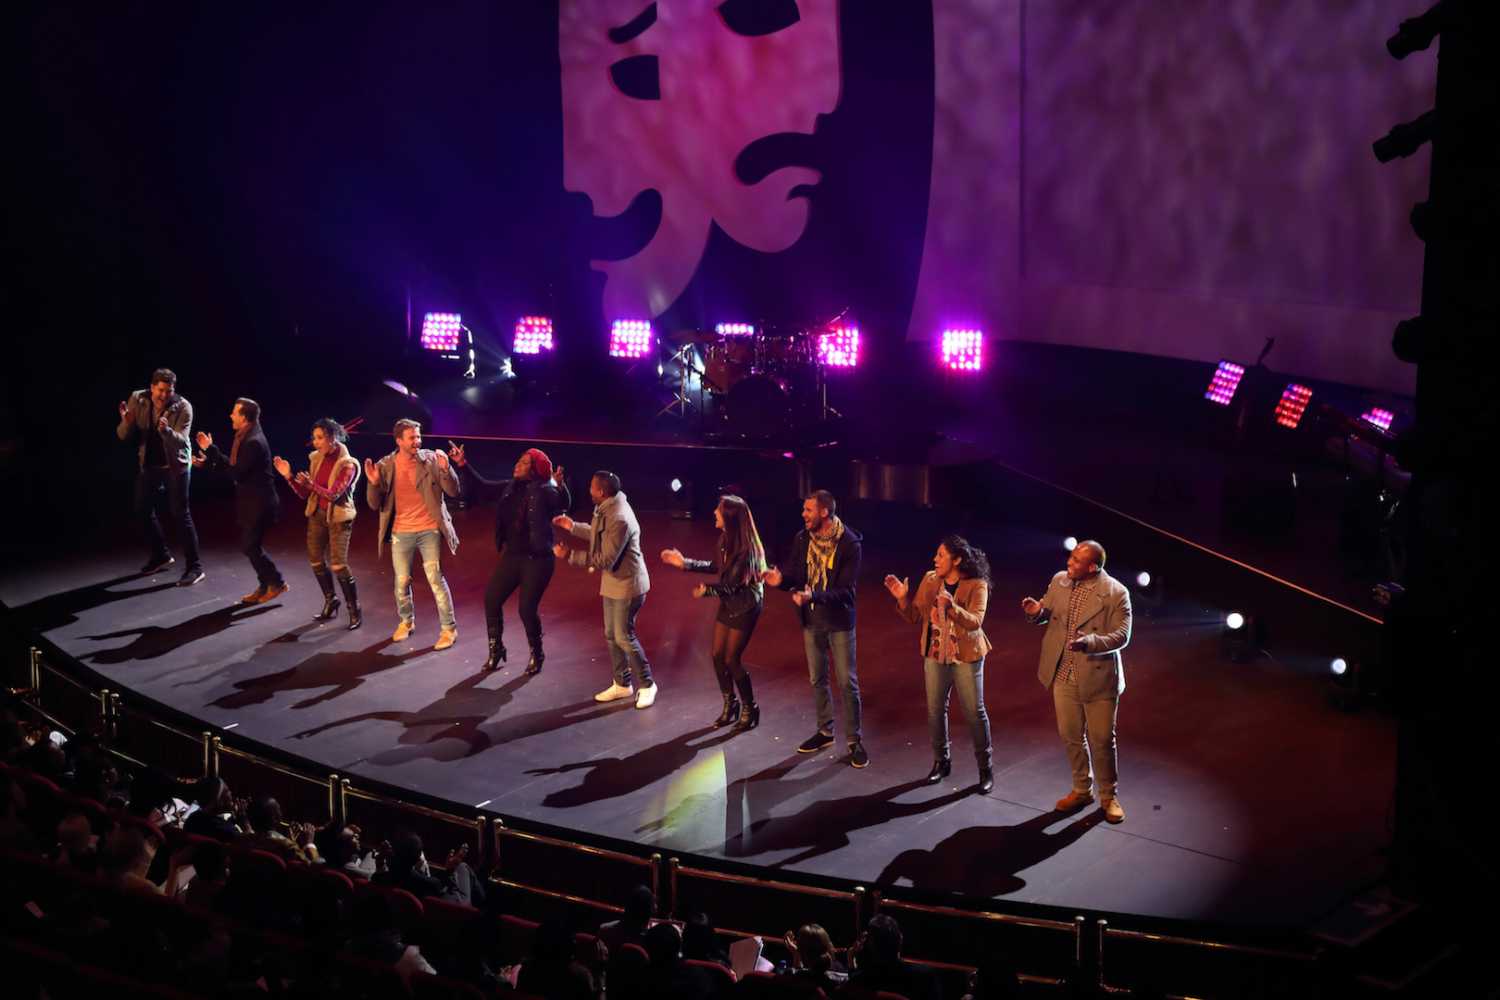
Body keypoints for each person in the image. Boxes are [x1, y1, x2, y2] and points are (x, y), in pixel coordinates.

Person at [1021, 539, 1132, 824]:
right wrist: (1037, 613)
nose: (1069, 563)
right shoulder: (1060, 581)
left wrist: (1090, 643)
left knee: (1102, 740)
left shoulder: (1116, 593)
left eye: (1076, 561)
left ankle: (1108, 796)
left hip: (1097, 675)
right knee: (1071, 736)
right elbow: (1049, 615)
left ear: (1092, 567)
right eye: (1070, 558)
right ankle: (1082, 789)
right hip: (1063, 673)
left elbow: (1122, 636)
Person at [763, 490, 867, 767]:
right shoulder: (802, 539)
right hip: (811, 620)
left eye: (808, 510)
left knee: (847, 682)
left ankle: (855, 740)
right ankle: (825, 731)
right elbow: (797, 576)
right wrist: (780, 580)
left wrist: (815, 597)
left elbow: (846, 592)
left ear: (824, 512)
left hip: (839, 622)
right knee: (817, 679)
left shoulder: (849, 543)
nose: (803, 514)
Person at [885, 535, 995, 793]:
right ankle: (941, 762)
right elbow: (914, 616)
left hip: (965, 655)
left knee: (974, 713)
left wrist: (952, 607)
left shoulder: (977, 584)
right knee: (935, 710)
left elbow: (976, 621)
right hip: (935, 653)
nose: (935, 559)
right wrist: (902, 598)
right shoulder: (930, 579)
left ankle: (985, 768)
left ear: (957, 560)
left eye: (941, 555)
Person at [448, 442, 569, 674]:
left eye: (525, 463)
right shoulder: (509, 487)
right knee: (491, 599)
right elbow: (482, 488)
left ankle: (537, 653)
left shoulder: (546, 491)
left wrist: (559, 486)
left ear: (535, 469)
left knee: (526, 609)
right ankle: (496, 650)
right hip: (513, 556)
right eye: (519, 460)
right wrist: (463, 465)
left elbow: (563, 503)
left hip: (538, 560)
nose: (518, 465)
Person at [661, 495, 767, 731]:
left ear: (729, 518)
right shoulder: (724, 540)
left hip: (746, 605)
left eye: (719, 510)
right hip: (730, 601)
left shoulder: (747, 550)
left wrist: (707, 591)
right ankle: (731, 704)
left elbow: (732, 585)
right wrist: (684, 563)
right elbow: (717, 568)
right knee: (717, 655)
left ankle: (751, 708)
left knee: (732, 659)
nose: (714, 513)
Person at [553, 471, 658, 708]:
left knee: (623, 636)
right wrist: (573, 527)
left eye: (591, 487)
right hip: (613, 582)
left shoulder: (619, 516)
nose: (589, 490)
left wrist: (570, 555)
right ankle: (622, 684)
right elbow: (598, 534)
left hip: (628, 585)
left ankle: (648, 684)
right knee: (612, 635)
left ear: (601, 491)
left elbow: (606, 558)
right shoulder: (608, 506)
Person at [365, 419, 460, 650]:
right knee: (401, 582)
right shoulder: (386, 465)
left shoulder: (431, 460)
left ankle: (449, 629)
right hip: (401, 531)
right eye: (412, 437)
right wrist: (374, 484)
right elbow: (373, 504)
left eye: (419, 436)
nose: (417, 441)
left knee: (435, 579)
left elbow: (453, 491)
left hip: (429, 529)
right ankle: (406, 622)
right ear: (399, 441)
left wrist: (447, 469)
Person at [117, 367, 204, 585]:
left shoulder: (183, 407)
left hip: (176, 466)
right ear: (152, 386)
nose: (164, 395)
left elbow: (182, 441)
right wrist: (127, 422)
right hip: (150, 465)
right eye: (161, 390)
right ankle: (161, 554)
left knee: (180, 513)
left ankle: (195, 567)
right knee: (142, 510)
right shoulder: (138, 398)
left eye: (169, 390)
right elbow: (121, 435)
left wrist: (165, 432)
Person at [273, 418, 362, 629]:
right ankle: (331, 600)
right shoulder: (316, 459)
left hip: (339, 517)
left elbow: (334, 495)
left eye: (320, 438)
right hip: (317, 515)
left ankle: (354, 609)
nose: (316, 442)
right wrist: (289, 477)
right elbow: (305, 493)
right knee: (315, 560)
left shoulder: (347, 464)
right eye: (314, 438)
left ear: (332, 438)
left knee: (338, 564)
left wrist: (311, 485)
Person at [196, 398, 285, 604]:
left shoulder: (253, 441)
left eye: (234, 412)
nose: (230, 416)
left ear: (244, 417)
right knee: (251, 546)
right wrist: (209, 462)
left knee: (250, 546)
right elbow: (236, 469)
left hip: (260, 503)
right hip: (251, 502)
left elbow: (236, 473)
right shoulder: (246, 436)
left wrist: (211, 450)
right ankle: (264, 586)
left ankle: (277, 582)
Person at [846, 914, 940, 1000]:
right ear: (900, 941)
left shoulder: (861, 980)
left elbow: (854, 983)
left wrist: (851, 959)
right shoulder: (925, 976)